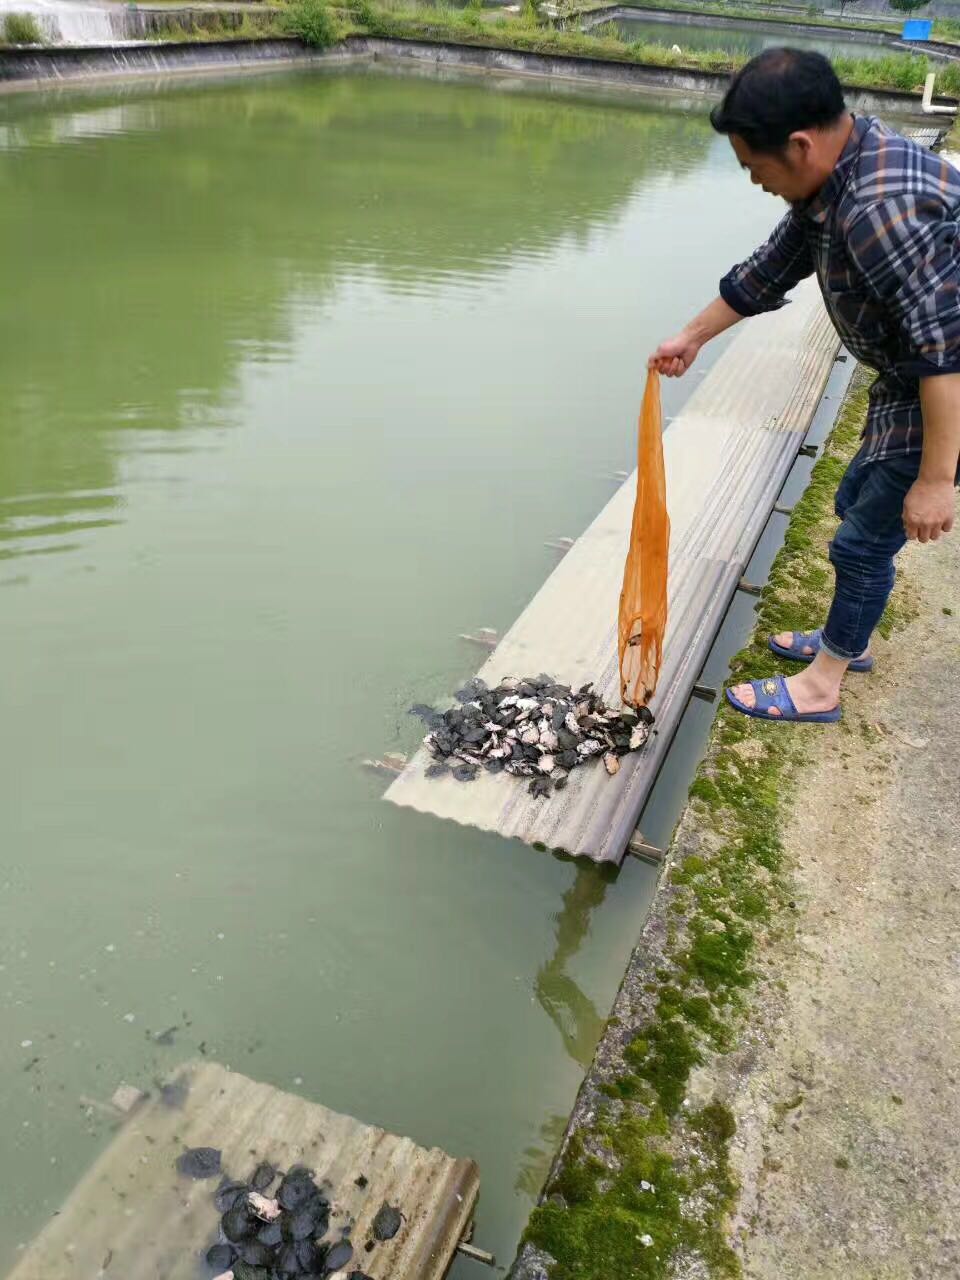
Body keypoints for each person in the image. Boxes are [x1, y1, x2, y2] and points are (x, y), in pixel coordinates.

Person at [649, 47, 960, 724]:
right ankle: (849, 636)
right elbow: (769, 269)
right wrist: (692, 337)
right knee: (859, 502)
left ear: (799, 145)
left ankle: (823, 685)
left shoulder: (878, 209)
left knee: (864, 540)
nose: (754, 180)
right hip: (910, 377)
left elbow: (945, 353)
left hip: (944, 384)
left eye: (753, 165)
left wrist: (938, 479)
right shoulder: (836, 176)